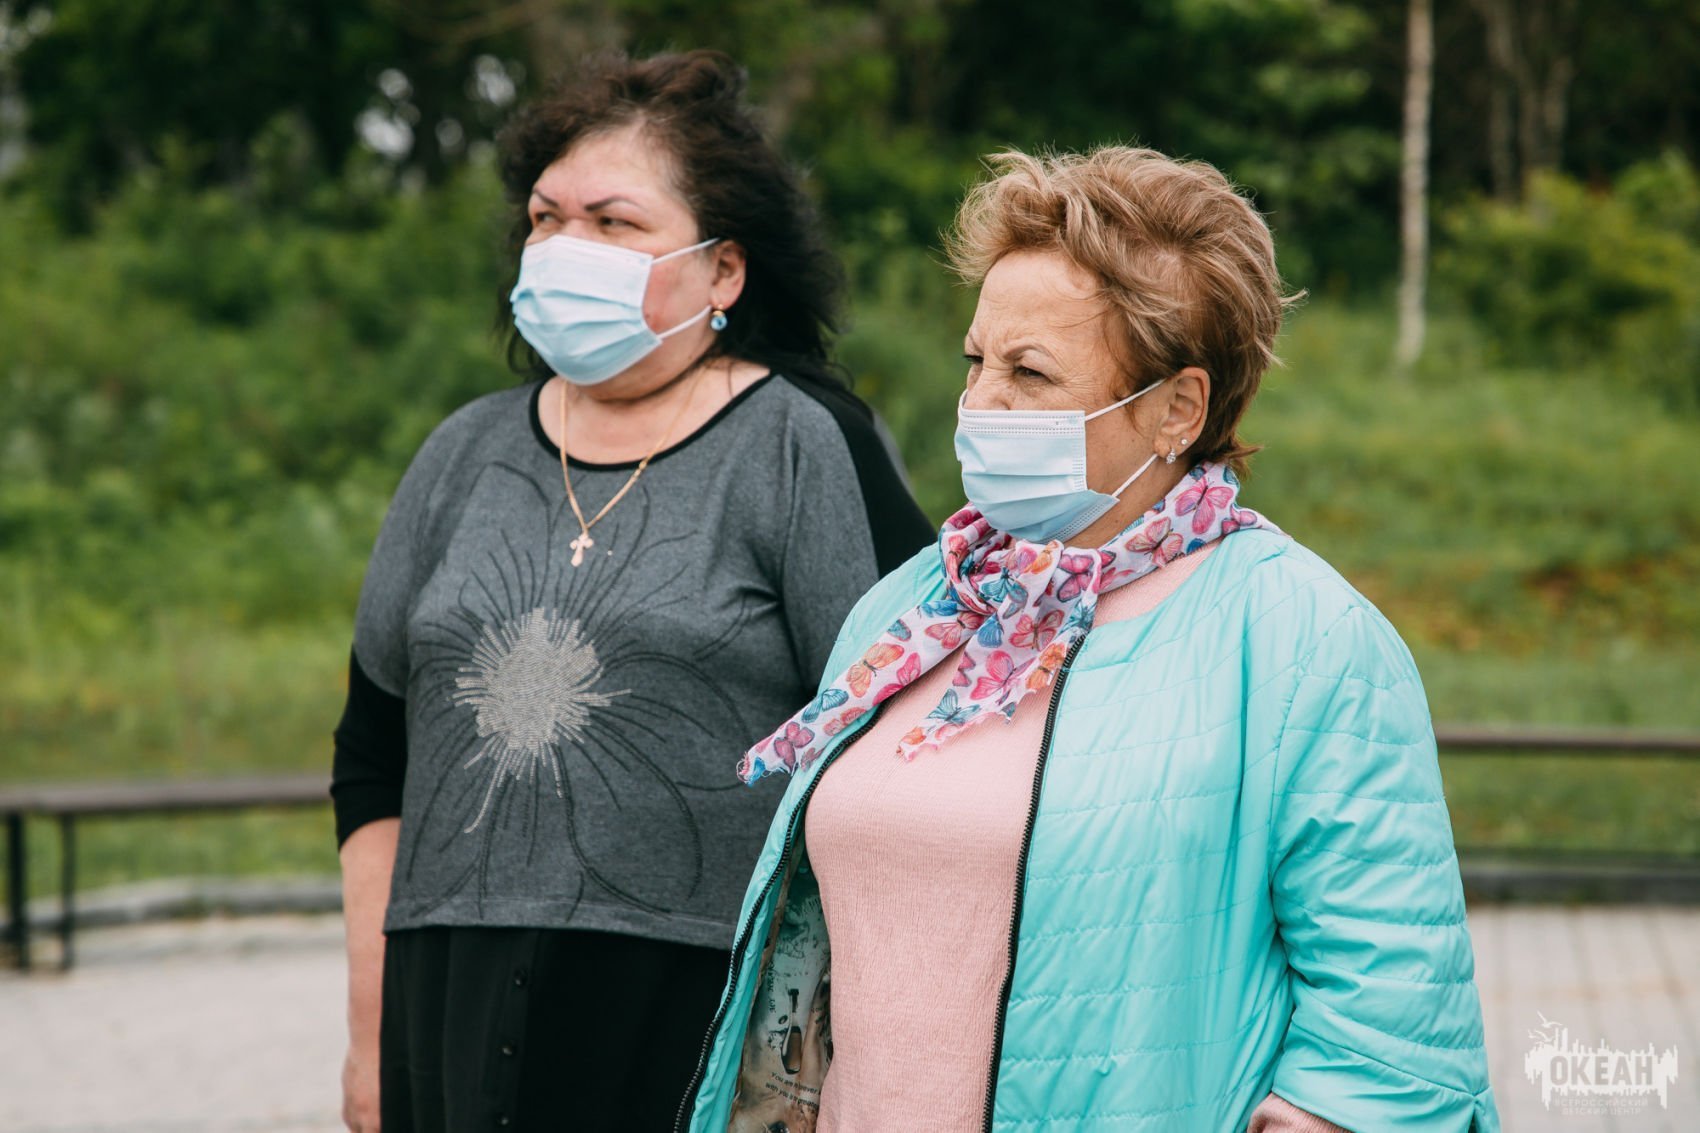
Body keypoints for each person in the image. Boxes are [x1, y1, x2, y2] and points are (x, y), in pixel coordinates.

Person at [683, 147, 1500, 1132]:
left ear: (1176, 409)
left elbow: (1388, 1041)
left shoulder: (1308, 642)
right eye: (976, 361)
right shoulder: (915, 607)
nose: (981, 402)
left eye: (1028, 371)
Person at [329, 50, 933, 1133]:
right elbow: (374, 756)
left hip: (693, 1006)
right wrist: (370, 1034)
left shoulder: (802, 444)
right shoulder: (461, 452)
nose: (568, 248)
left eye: (614, 223)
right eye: (546, 218)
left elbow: (907, 741)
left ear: (724, 270)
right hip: (444, 994)